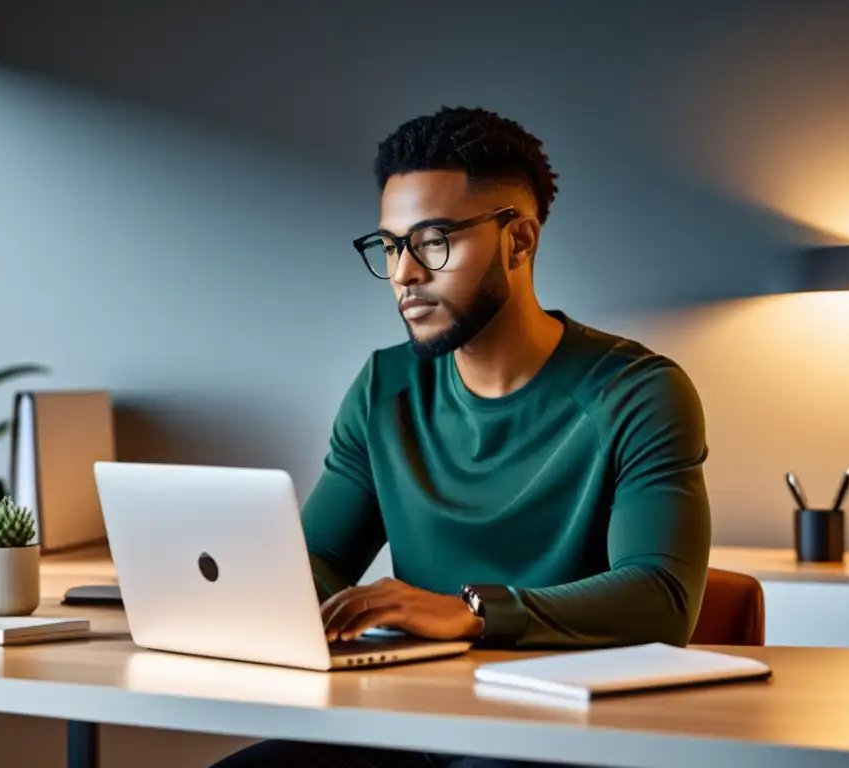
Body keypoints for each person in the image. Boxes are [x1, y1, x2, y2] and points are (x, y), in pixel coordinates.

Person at [211, 106, 712, 767]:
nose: (404, 273)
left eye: (434, 240)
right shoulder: (382, 389)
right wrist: (247, 592)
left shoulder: (638, 392)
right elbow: (319, 560)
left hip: (569, 735)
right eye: (390, 245)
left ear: (519, 241)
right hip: (414, 723)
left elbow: (661, 598)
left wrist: (472, 611)